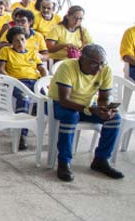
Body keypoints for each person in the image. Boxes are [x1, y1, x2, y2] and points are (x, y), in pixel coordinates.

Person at [49, 45, 124, 182]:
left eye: (102, 63)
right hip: (60, 104)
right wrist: (88, 110)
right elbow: (64, 100)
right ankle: (64, 162)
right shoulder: (67, 67)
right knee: (71, 116)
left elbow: (104, 98)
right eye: (94, 63)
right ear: (82, 59)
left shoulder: (105, 69)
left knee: (114, 119)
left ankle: (101, 160)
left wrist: (104, 110)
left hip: (86, 106)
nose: (99, 68)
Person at [0, 26, 47, 149]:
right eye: (16, 40)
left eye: (22, 39)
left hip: (34, 82)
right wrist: (12, 80)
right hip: (17, 82)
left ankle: (44, 125)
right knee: (24, 98)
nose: (20, 43)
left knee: (48, 99)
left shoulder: (32, 53)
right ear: (11, 42)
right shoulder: (6, 51)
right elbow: (0, 69)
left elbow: (42, 69)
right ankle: (21, 134)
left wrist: (44, 79)